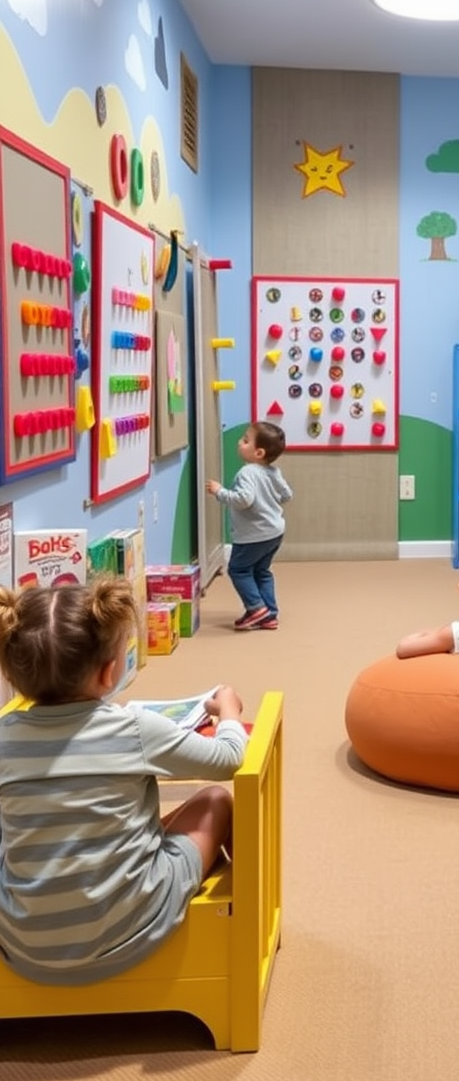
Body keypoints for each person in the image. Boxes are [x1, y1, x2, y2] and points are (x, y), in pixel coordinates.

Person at [0, 576, 246, 986]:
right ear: (109, 670)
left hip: (24, 947)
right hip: (132, 932)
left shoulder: (5, 736)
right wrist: (230, 712)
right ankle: (236, 918)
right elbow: (228, 759)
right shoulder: (134, 728)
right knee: (215, 801)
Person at [207, 420, 292, 631]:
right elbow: (287, 495)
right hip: (274, 532)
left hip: (254, 535)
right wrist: (269, 501)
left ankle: (256, 608)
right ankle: (269, 614)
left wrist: (220, 492)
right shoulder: (274, 471)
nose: (239, 442)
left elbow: (244, 499)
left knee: (238, 570)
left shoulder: (247, 473)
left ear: (259, 453)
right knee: (262, 571)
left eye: (245, 440)